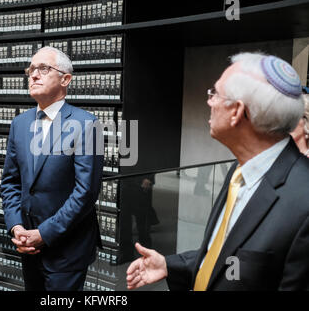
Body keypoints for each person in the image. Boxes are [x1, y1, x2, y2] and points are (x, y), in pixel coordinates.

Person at [126, 52, 309, 291]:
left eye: (215, 94)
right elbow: (229, 258)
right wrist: (169, 265)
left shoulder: (303, 202)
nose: (209, 101)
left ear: (237, 112)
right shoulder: (239, 171)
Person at [0, 46, 104, 291]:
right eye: (31, 69)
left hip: (67, 249)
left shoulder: (88, 124)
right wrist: (16, 228)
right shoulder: (19, 123)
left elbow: (86, 193)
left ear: (66, 79)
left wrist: (44, 234)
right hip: (27, 246)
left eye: (43, 69)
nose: (34, 75)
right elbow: (10, 183)